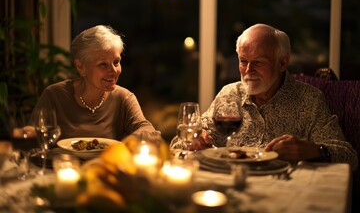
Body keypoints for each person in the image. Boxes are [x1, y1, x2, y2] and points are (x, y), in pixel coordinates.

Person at [198, 23, 358, 169]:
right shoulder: (229, 94)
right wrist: (196, 140)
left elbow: (349, 156)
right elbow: (187, 140)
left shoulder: (310, 100)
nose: (248, 70)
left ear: (282, 63)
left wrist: (313, 150)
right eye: (243, 61)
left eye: (258, 62)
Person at [30, 25, 159, 142]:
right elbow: (33, 138)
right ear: (80, 67)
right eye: (103, 64)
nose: (113, 71)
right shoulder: (54, 95)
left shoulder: (124, 97)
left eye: (116, 62)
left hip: (105, 167)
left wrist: (137, 136)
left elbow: (145, 128)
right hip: (61, 166)